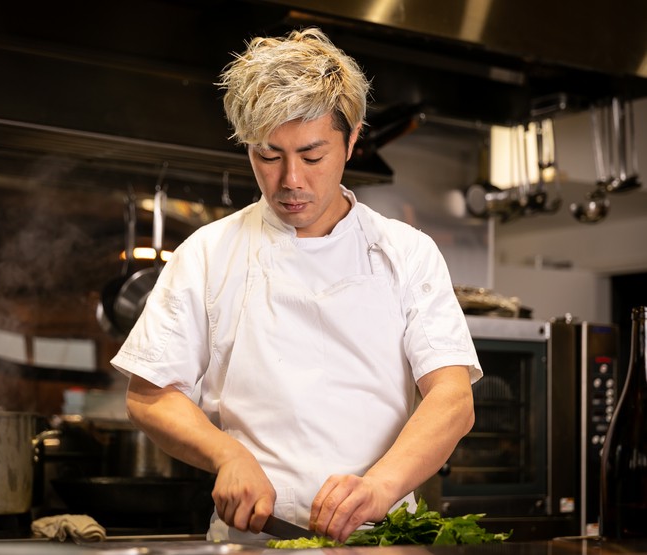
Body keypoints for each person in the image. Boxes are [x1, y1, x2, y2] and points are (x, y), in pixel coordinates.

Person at [111, 27, 482, 543]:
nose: (290, 180)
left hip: (378, 539)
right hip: (253, 543)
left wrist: (380, 487)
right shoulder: (208, 252)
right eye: (268, 156)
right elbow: (150, 396)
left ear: (352, 140)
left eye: (311, 156)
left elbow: (452, 398)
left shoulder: (406, 252)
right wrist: (227, 455)